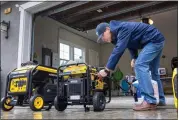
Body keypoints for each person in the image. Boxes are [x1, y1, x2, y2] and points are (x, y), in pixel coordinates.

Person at [96, 20, 166, 111]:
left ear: (107, 29)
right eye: (101, 38)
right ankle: (160, 99)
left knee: (140, 65)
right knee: (153, 72)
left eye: (102, 36)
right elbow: (130, 44)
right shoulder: (116, 35)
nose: (103, 39)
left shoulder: (122, 28)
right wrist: (134, 57)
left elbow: (118, 50)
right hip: (157, 40)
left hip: (153, 40)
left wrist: (107, 70)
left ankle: (150, 101)